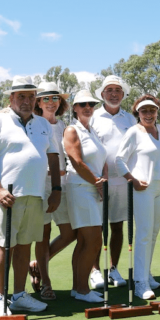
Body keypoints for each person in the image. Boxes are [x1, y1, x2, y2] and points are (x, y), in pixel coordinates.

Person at [0, 76, 61, 315]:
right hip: (6, 196)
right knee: (4, 247)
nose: (27, 101)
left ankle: (19, 295)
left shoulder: (43, 124)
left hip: (35, 194)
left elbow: (53, 157)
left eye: (31, 96)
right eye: (21, 96)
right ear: (11, 98)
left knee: (25, 245)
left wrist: (56, 190)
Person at [115, 95, 160, 299]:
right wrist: (133, 180)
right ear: (137, 113)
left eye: (152, 110)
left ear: (157, 111)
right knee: (144, 233)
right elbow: (119, 160)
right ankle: (140, 283)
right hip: (143, 188)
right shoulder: (133, 132)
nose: (149, 114)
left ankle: (145, 273)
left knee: (154, 233)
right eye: (144, 111)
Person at [90, 75, 136, 289]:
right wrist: (96, 177)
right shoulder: (93, 116)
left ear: (123, 94)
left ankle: (113, 268)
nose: (114, 94)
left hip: (122, 182)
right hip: (98, 181)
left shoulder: (130, 119)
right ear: (102, 94)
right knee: (96, 227)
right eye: (109, 90)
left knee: (117, 226)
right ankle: (95, 270)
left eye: (118, 90)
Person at [27, 82, 70, 301]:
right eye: (46, 98)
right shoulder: (34, 124)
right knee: (42, 235)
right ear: (38, 102)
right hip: (42, 183)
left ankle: (37, 264)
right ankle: (46, 282)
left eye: (55, 98)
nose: (51, 102)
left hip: (63, 183)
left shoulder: (64, 126)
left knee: (71, 232)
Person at [63, 90, 107, 303]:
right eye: (83, 104)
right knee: (92, 241)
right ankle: (82, 289)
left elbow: (103, 160)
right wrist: (97, 182)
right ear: (75, 108)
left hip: (93, 188)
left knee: (84, 241)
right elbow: (77, 162)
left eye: (91, 103)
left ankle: (77, 288)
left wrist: (102, 180)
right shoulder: (72, 130)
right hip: (81, 188)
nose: (87, 107)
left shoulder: (93, 131)